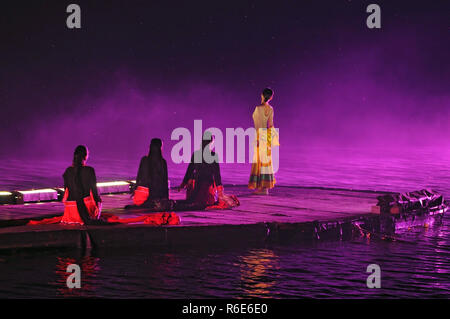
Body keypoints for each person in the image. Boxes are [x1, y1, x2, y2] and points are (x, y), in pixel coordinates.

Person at [178, 131, 224, 208]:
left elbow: (189, 171)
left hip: (197, 186)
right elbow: (217, 174)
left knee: (194, 178)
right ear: (211, 143)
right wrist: (220, 190)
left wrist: (183, 183)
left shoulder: (196, 154)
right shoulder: (213, 155)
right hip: (207, 188)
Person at [61, 145, 102, 225]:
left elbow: (66, 192)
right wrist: (98, 205)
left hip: (70, 212)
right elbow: (94, 192)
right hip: (84, 210)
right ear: (85, 156)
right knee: (98, 199)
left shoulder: (68, 171)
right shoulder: (90, 170)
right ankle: (93, 215)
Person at [129, 138, 172, 211]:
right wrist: (166, 198)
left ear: (150, 147)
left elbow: (140, 176)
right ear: (160, 147)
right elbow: (165, 182)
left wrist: (135, 188)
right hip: (159, 196)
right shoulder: (163, 162)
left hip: (145, 194)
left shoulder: (145, 160)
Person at [248, 87, 277, 194]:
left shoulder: (258, 108)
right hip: (267, 136)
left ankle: (262, 188)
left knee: (259, 161)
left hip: (260, 136)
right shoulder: (270, 109)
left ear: (262, 95)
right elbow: (270, 125)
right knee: (266, 162)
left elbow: (257, 123)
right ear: (271, 97)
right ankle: (265, 188)